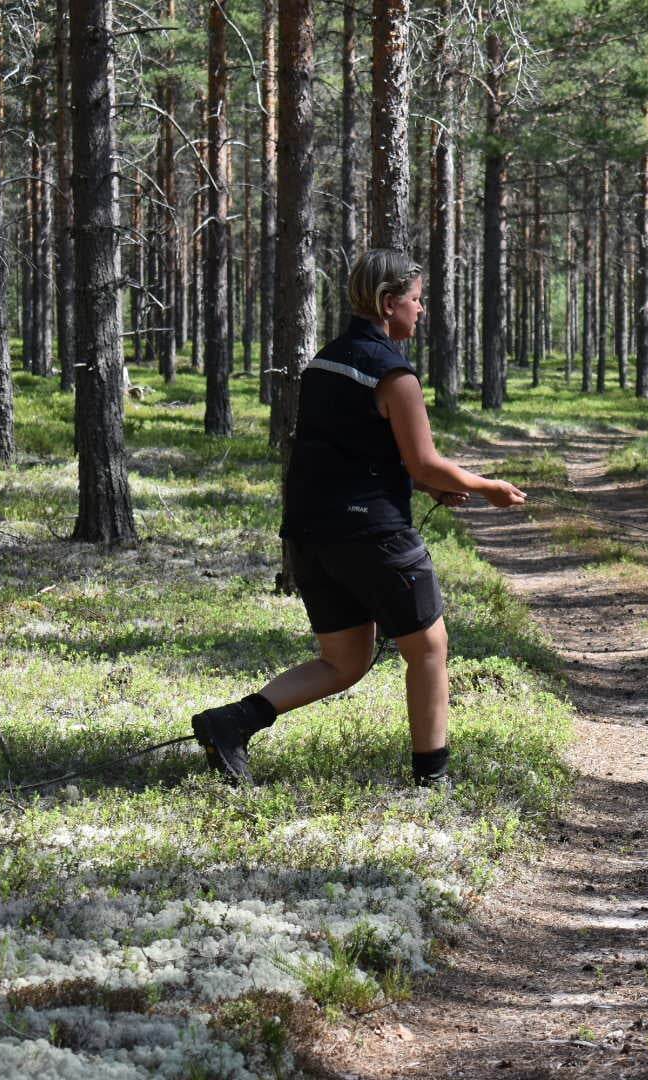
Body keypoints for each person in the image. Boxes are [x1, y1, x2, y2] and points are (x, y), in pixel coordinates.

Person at [191, 249, 527, 787]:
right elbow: (424, 460)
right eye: (416, 300)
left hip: (311, 535)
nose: (421, 309)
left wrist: (423, 484)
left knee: (344, 662)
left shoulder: (324, 363)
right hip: (373, 535)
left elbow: (353, 452)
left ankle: (231, 723)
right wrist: (488, 488)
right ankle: (433, 778)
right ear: (389, 303)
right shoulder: (395, 375)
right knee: (430, 648)